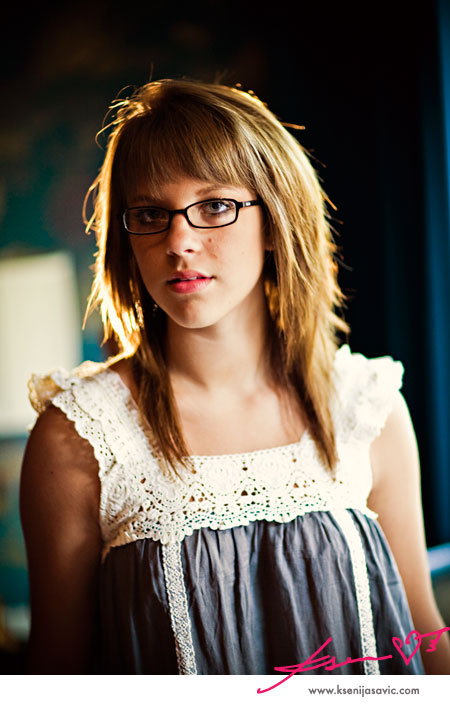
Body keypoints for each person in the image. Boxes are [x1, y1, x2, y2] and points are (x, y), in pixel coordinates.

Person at [20, 78, 450, 676]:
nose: (179, 241)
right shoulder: (80, 437)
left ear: (275, 221)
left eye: (216, 206)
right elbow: (56, 681)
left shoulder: (365, 408)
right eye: (150, 213)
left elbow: (424, 637)